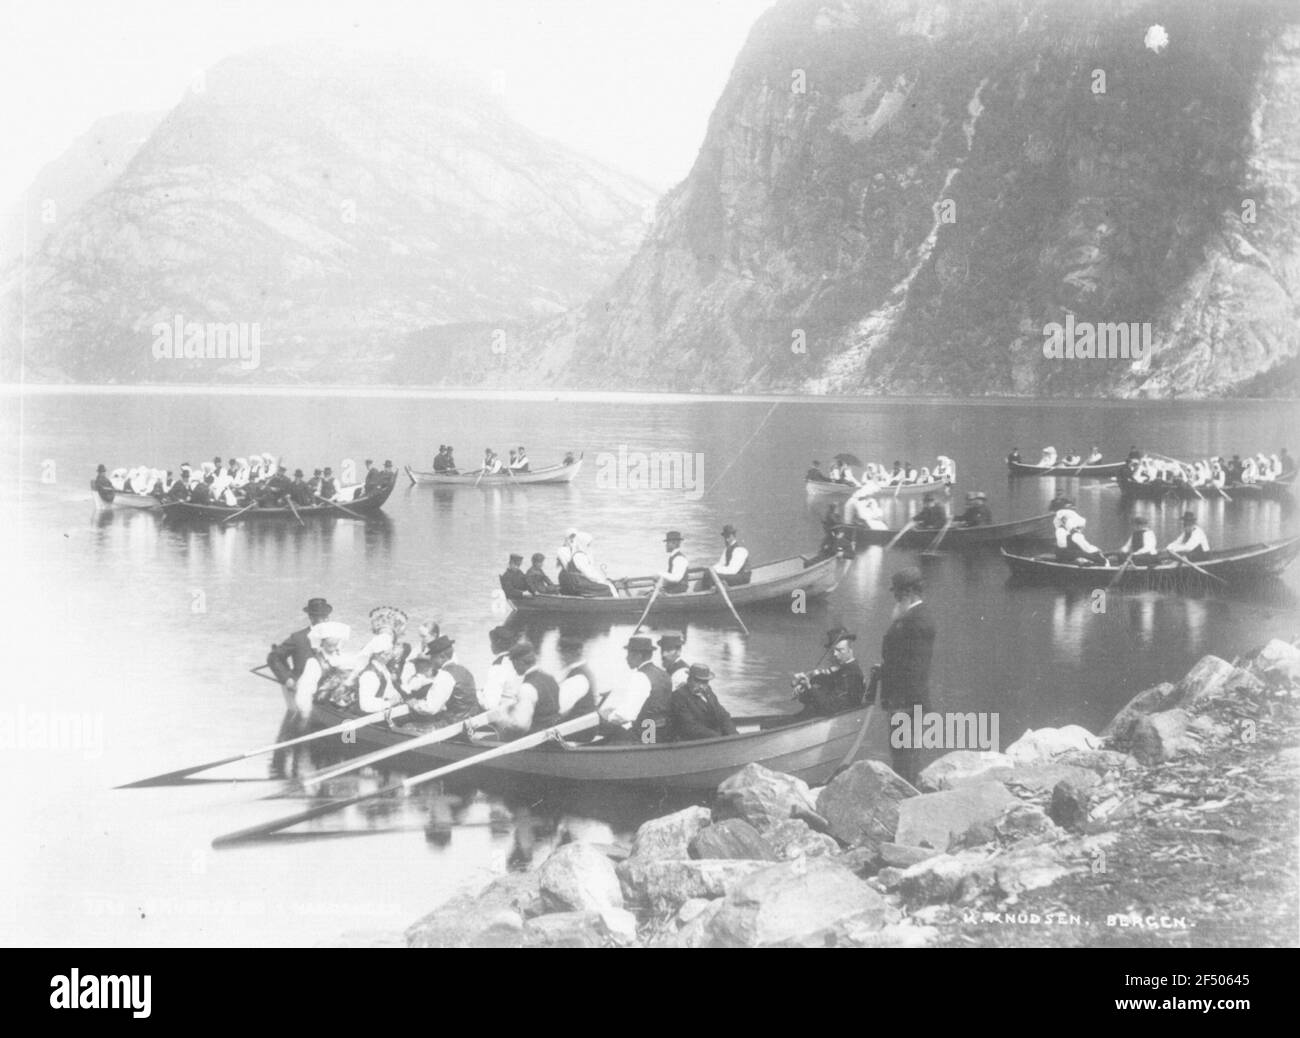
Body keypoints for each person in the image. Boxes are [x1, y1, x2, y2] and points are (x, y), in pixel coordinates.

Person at [869, 568, 937, 785]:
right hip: (907, 701)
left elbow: (913, 669)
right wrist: (885, 669)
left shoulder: (913, 622)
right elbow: (903, 661)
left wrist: (899, 704)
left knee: (904, 757)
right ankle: (906, 797)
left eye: (897, 596)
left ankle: (905, 800)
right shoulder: (916, 618)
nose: (895, 600)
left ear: (907, 594)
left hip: (906, 703)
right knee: (904, 755)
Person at [265, 597, 335, 776]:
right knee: (296, 727)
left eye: (326, 617)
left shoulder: (333, 637)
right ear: (311, 618)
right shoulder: (298, 638)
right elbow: (274, 658)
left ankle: (334, 745)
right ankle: (288, 758)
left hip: (325, 689)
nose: (324, 621)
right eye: (319, 617)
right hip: (301, 687)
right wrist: (287, 679)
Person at [597, 635, 672, 743]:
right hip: (661, 733)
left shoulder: (640, 676)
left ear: (639, 655)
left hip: (644, 736)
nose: (626, 658)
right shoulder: (664, 674)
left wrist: (606, 717)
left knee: (605, 736)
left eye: (629, 654)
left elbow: (625, 715)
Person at [483, 642, 561, 737]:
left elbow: (520, 726)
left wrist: (500, 717)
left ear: (519, 662)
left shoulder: (527, 688)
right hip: (550, 735)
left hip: (533, 740)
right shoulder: (550, 678)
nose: (514, 668)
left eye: (513, 663)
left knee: (490, 733)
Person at [793, 626, 866, 718]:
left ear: (850, 650)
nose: (835, 654)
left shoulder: (852, 675)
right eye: (833, 650)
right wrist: (803, 690)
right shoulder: (839, 671)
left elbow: (831, 708)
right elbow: (811, 699)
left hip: (823, 721)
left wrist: (809, 687)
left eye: (840, 650)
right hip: (809, 716)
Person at [405, 635, 479, 724]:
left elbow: (430, 708)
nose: (431, 660)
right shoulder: (464, 670)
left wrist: (414, 703)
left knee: (407, 723)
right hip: (469, 720)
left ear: (442, 657)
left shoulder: (445, 675)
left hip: (453, 724)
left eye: (433, 657)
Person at [671, 664, 737, 741]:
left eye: (705, 682)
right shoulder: (678, 696)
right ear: (689, 679)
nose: (702, 686)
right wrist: (719, 738)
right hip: (691, 742)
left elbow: (723, 715)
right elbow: (690, 727)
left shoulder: (708, 691)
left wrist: (732, 734)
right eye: (697, 681)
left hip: (713, 737)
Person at [479, 625, 523, 711]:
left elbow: (490, 704)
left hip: (509, 715)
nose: (490, 646)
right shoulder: (521, 660)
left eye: (492, 643)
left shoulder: (498, 666)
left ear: (496, 645)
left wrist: (478, 696)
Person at [557, 636, 598, 717]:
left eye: (564, 652)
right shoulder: (585, 670)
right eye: (561, 652)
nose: (561, 656)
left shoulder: (578, 678)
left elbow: (558, 709)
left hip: (576, 726)